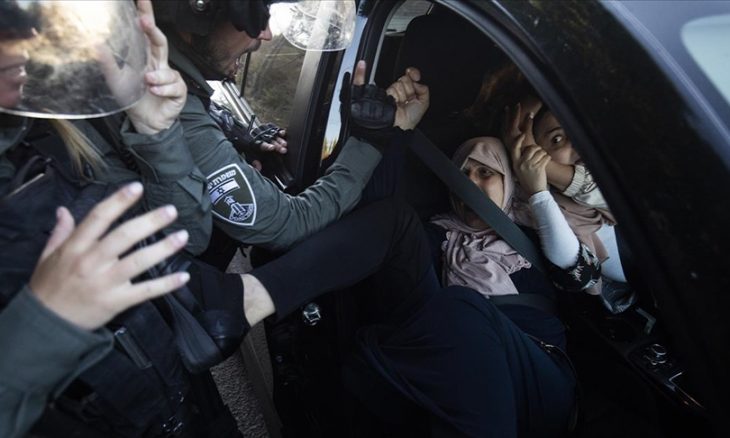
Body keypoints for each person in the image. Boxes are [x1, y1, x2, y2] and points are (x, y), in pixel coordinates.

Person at [0, 1, 195, 435]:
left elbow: (181, 245)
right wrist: (40, 328)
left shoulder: (50, 140)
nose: (27, 35)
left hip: (179, 403)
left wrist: (154, 132)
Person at [152, 0, 429, 251]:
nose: (266, 34)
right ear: (199, 10)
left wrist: (237, 140)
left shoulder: (167, 82)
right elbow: (290, 222)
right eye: (256, 14)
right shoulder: (169, 108)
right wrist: (369, 141)